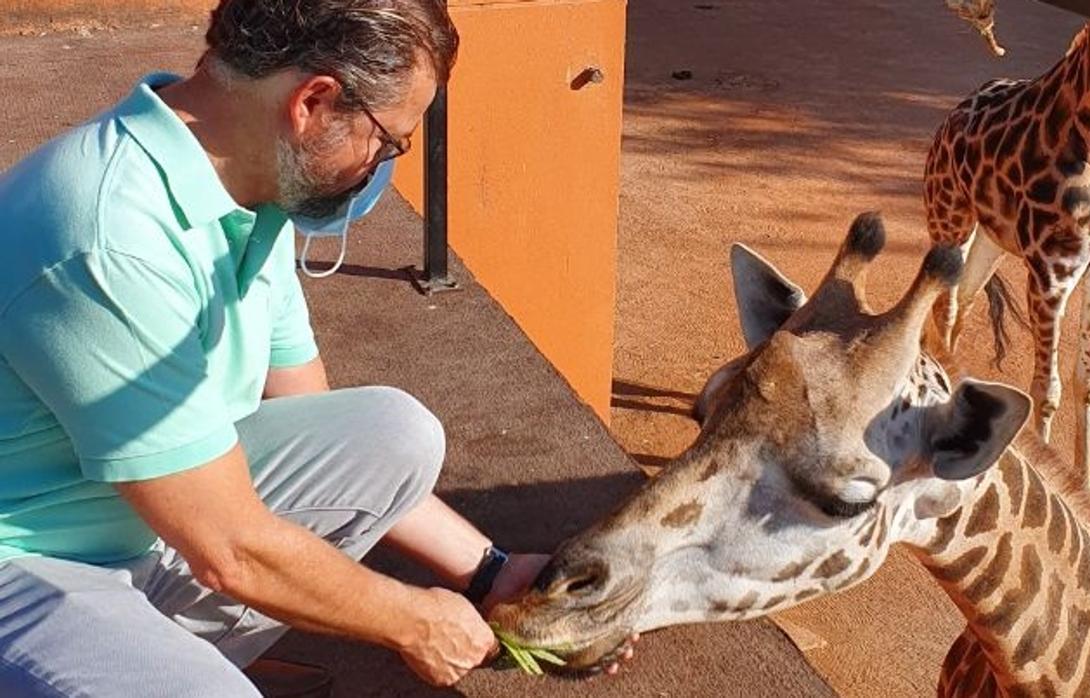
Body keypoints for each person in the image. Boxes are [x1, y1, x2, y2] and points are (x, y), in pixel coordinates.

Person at [0, 1, 634, 695]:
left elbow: (311, 417)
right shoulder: (107, 237)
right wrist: (411, 620)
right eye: (389, 142)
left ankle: (149, 653)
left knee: (390, 433)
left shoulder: (245, 186)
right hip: (27, 561)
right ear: (315, 101)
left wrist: (490, 575)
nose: (381, 165)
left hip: (142, 519)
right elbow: (228, 548)